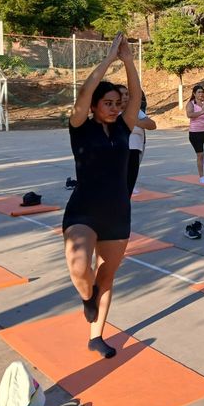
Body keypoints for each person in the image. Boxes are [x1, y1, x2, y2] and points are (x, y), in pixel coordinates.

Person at [62, 33, 142, 359]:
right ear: (94, 106)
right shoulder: (80, 126)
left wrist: (128, 61)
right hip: (84, 209)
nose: (114, 108)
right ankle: (86, 298)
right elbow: (83, 91)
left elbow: (135, 95)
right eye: (107, 103)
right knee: (80, 266)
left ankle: (97, 336)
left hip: (118, 211)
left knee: (106, 275)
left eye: (116, 103)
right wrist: (109, 58)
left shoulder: (124, 127)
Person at [115, 86, 156, 196]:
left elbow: (152, 125)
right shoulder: (111, 112)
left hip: (136, 150)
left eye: (127, 94)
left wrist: (133, 121)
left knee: (129, 182)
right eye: (121, 94)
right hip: (121, 150)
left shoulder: (136, 112)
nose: (125, 97)